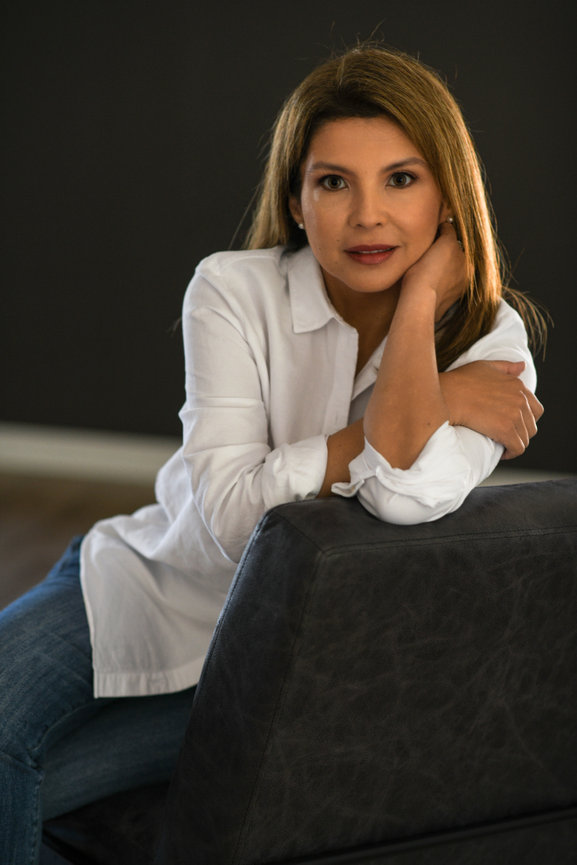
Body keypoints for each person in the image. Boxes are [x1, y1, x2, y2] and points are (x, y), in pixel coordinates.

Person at [0, 44, 545, 862]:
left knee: (29, 780)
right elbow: (223, 518)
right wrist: (432, 402)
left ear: (447, 198)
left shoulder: (487, 337)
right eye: (334, 182)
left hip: (285, 666)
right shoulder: (228, 289)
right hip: (148, 584)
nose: (367, 215)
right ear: (296, 199)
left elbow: (401, 494)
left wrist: (420, 305)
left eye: (401, 179)